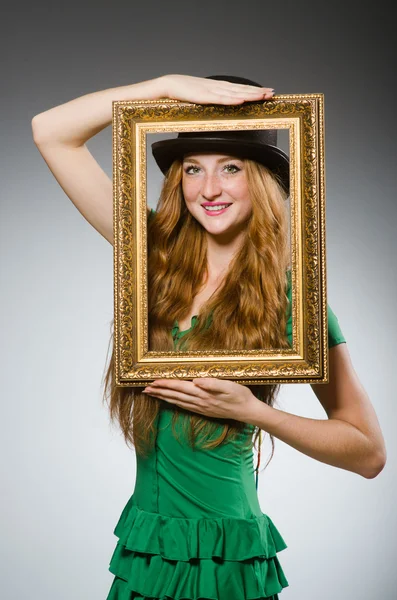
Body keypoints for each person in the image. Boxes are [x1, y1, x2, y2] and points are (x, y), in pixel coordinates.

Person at [32, 74, 387, 600]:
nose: (208, 189)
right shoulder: (148, 258)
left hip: (227, 548)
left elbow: (367, 452)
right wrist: (167, 86)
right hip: (148, 543)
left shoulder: (296, 301)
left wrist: (252, 411)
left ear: (263, 180)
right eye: (192, 169)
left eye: (230, 168)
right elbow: (50, 131)